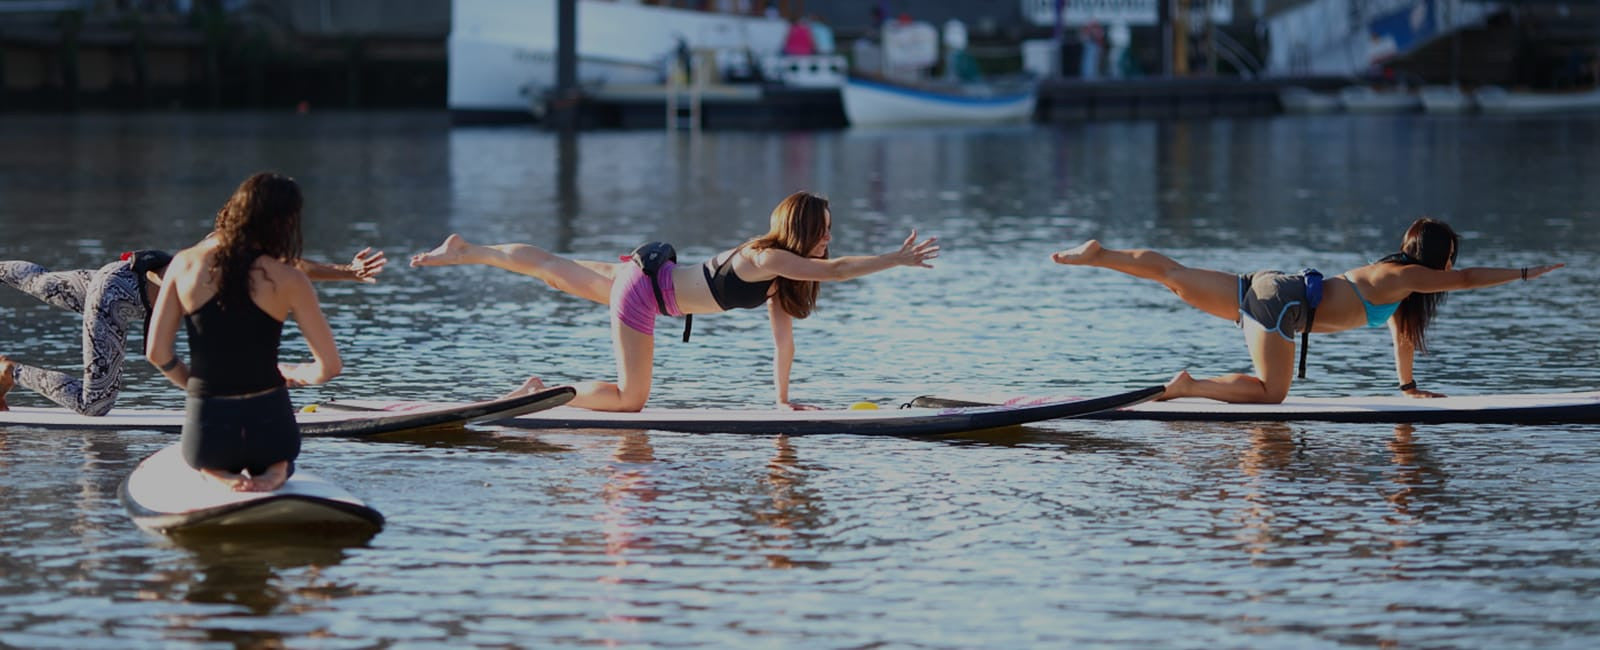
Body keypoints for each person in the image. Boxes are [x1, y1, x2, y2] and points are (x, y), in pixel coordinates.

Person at [409, 191, 939, 412]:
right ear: (798, 232)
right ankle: (543, 392)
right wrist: (896, 258)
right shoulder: (767, 258)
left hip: (646, 275)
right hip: (645, 293)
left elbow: (784, 341)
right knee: (629, 400)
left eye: (829, 231)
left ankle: (467, 251)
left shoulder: (779, 276)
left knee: (550, 268)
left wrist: (781, 400)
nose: (828, 240)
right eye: (821, 232)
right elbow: (841, 270)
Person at [1051, 218, 1563, 404]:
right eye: (1449, 259)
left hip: (1272, 285)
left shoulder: (1398, 284)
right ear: (1434, 258)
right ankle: (1188, 387)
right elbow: (1469, 280)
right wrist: (1522, 274)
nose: (1453, 268)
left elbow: (1401, 336)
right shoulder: (1404, 274)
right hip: (1283, 304)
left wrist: (1407, 388)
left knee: (1177, 277)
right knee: (1272, 394)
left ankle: (1101, 256)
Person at [0, 243, 380, 415]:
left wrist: (347, 272)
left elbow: (293, 265)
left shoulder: (242, 261)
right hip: (116, 296)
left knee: (41, 283)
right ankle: (9, 371)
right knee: (94, 405)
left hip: (113, 277)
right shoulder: (213, 264)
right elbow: (158, 274)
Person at [145, 172, 342, 492]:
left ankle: (216, 473)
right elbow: (330, 367)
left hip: (209, 432)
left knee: (207, 458)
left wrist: (195, 387)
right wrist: (296, 372)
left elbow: (157, 352)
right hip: (272, 430)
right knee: (278, 455)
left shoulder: (185, 264)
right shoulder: (289, 278)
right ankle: (275, 471)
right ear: (282, 223)